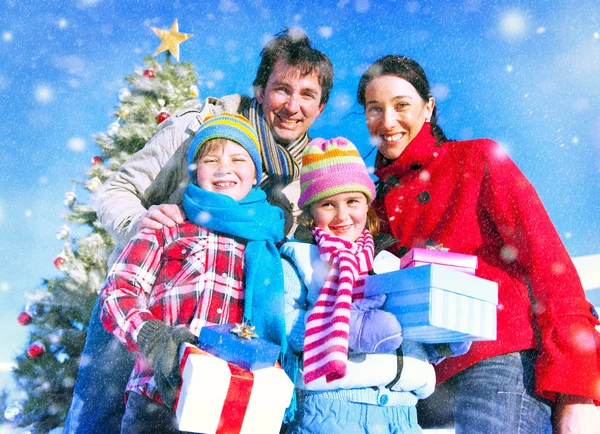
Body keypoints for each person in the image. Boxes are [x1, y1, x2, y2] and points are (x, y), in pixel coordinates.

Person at [64, 28, 333, 434]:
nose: (292, 106)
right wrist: (142, 225)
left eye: (307, 95)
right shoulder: (198, 127)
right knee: (98, 417)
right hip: (146, 297)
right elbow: (116, 190)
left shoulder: (306, 179)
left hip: (228, 329)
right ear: (260, 90)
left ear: (321, 106)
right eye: (282, 89)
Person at [356, 54, 600, 433]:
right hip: (419, 383)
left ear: (428, 108)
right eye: (375, 109)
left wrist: (578, 388)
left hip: (498, 361)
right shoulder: (371, 203)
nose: (387, 121)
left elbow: (548, 263)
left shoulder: (475, 159)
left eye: (401, 105)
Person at [98, 113, 286, 433]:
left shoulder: (266, 244)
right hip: (156, 399)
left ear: (256, 175)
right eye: (211, 159)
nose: (224, 168)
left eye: (239, 158)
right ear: (195, 173)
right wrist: (152, 336)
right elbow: (117, 291)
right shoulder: (167, 227)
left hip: (231, 404)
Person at [280, 137, 470, 434]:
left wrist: (440, 338)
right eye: (328, 204)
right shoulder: (301, 257)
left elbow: (401, 332)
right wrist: (351, 329)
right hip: (332, 411)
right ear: (310, 213)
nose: (342, 215)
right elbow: (286, 325)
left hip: (403, 413)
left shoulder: (389, 262)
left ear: (367, 206)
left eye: (352, 202)